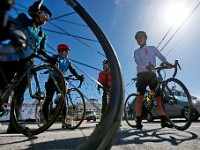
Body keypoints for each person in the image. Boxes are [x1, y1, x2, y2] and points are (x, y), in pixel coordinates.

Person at [0, 1, 53, 133]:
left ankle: (14, 125)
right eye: (45, 14)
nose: (47, 18)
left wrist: (50, 58)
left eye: (49, 18)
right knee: (3, 83)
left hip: (28, 61)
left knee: (20, 92)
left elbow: (42, 50)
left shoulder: (42, 34)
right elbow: (13, 29)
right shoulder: (23, 19)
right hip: (14, 54)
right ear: (37, 12)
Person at [134, 31, 173, 129]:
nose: (138, 39)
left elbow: (160, 56)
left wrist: (166, 62)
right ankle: (138, 121)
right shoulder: (136, 51)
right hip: (142, 75)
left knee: (158, 98)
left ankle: (163, 121)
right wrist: (146, 66)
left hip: (152, 74)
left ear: (145, 37)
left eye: (140, 37)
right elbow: (138, 62)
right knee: (140, 97)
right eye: (137, 38)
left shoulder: (152, 48)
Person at [42, 44, 84, 128]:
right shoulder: (55, 57)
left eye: (68, 51)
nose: (68, 52)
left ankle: (64, 121)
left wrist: (79, 77)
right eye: (66, 51)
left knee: (63, 100)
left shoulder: (68, 62)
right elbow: (49, 61)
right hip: (52, 79)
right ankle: (46, 121)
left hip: (61, 81)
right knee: (48, 99)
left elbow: (73, 71)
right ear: (61, 51)